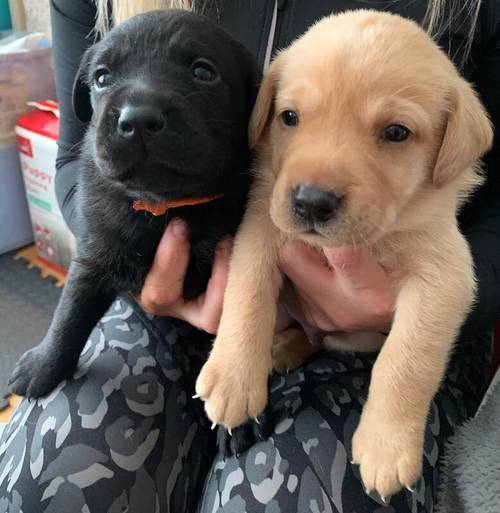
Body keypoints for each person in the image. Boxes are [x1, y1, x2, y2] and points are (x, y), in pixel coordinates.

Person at [0, 0, 498, 511]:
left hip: (390, 337)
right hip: (168, 295)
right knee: (51, 487)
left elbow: (463, 254)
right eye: (290, 117)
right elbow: (74, 157)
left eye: (394, 132)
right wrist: (129, 256)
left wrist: (384, 327)